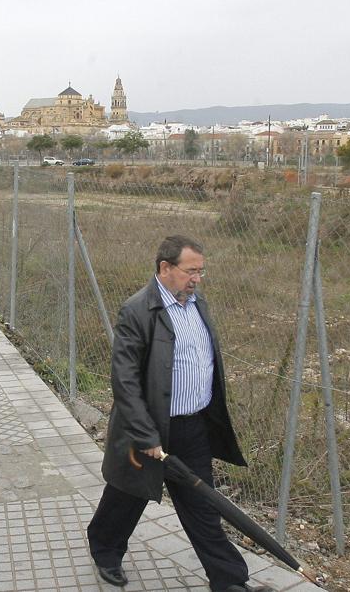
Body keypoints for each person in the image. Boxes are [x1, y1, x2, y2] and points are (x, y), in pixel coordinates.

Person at [87, 235, 272, 592]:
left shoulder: (196, 303)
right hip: (149, 430)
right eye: (191, 271)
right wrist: (146, 436)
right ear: (165, 268)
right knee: (128, 494)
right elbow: (124, 381)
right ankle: (105, 548)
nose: (197, 278)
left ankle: (229, 580)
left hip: (193, 428)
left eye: (201, 271)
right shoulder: (138, 310)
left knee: (202, 506)